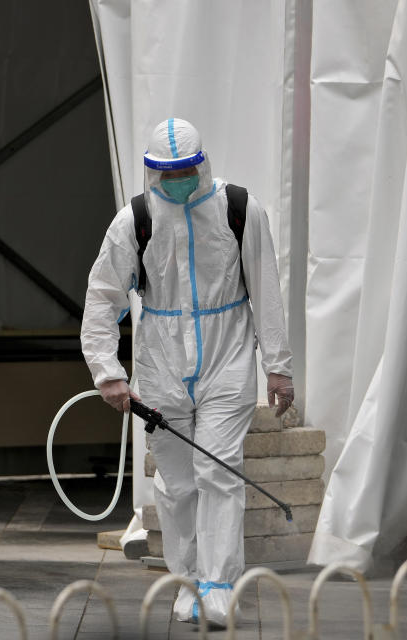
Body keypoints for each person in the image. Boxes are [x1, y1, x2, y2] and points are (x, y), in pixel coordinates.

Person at [81, 118, 294, 626]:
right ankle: (187, 582)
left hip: (227, 360)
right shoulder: (134, 219)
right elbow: (104, 296)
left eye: (185, 170)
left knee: (218, 472)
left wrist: (278, 369)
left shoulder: (239, 209)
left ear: (202, 164)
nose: (176, 179)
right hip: (161, 368)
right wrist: (107, 371)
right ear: (152, 172)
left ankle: (218, 586)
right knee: (177, 485)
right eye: (165, 172)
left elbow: (266, 291)